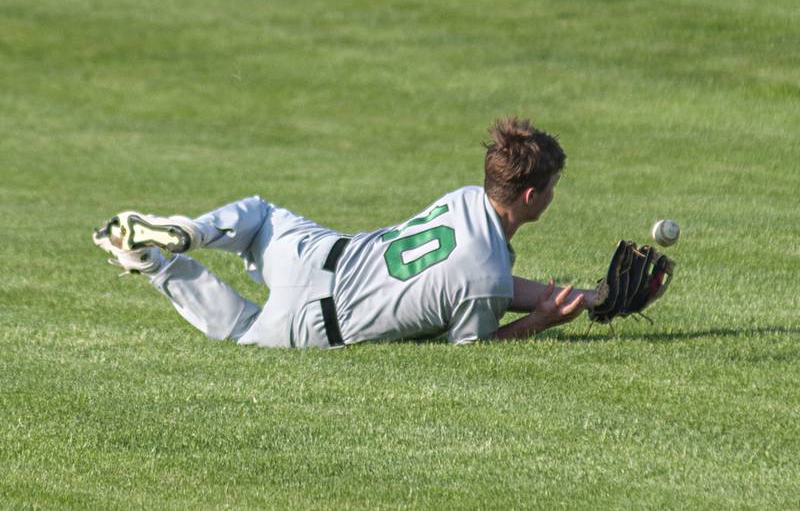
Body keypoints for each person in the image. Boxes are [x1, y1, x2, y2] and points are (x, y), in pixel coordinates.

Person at [92, 117, 596, 348]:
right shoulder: (483, 280)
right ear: (531, 197)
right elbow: (475, 344)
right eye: (553, 185)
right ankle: (156, 265)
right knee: (243, 328)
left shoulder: (465, 199)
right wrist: (542, 321)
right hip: (315, 319)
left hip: (310, 252)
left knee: (262, 215)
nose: (555, 193)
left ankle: (192, 233)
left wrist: (591, 298)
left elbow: (488, 284)